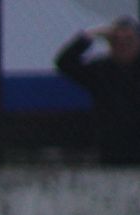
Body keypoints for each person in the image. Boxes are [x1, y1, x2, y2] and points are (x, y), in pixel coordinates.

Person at [54, 15, 140, 165]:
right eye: (116, 42)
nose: (122, 46)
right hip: (112, 148)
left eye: (128, 41)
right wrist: (89, 36)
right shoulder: (100, 70)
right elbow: (64, 63)